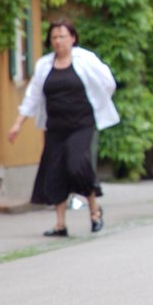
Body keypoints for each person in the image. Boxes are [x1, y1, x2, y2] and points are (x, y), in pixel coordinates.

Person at [8, 20, 120, 236]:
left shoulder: (85, 59)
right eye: (54, 37)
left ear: (73, 38)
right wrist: (17, 124)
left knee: (76, 164)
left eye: (62, 36)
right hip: (55, 127)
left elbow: (108, 82)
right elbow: (32, 95)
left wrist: (100, 100)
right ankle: (60, 224)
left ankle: (94, 210)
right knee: (55, 170)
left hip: (81, 123)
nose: (58, 41)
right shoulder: (44, 65)